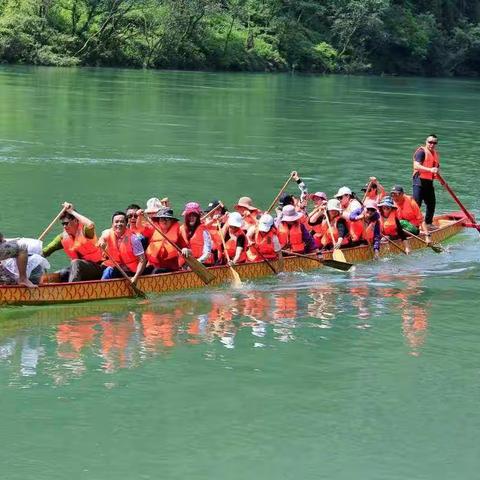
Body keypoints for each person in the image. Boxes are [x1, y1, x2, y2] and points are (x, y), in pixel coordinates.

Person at [42, 203, 104, 282]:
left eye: (66, 223)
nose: (64, 226)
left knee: (76, 262)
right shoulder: (62, 237)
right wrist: (32, 254)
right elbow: (46, 250)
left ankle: (72, 289)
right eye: (63, 224)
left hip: (98, 268)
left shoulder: (85, 231)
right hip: (79, 270)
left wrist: (71, 211)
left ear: (75, 220)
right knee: (60, 274)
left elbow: (90, 224)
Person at [98, 211, 147, 283]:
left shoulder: (134, 239)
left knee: (109, 270)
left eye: (122, 222)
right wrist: (101, 242)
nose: (119, 224)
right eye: (116, 222)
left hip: (129, 272)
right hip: (116, 267)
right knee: (104, 268)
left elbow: (142, 260)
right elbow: (102, 238)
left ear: (126, 224)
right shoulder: (108, 233)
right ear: (112, 224)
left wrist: (135, 277)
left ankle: (101, 287)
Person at [144, 207, 190, 273]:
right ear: (158, 221)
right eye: (162, 219)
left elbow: (185, 247)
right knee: (146, 271)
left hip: (170, 267)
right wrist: (140, 216)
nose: (164, 221)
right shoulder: (152, 230)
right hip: (153, 265)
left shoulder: (177, 232)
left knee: (156, 271)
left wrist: (185, 249)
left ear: (171, 221)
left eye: (167, 219)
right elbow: (140, 228)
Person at [412, 134, 440, 226]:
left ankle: (428, 223)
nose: (432, 144)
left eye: (434, 143)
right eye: (430, 142)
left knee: (431, 204)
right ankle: (414, 225)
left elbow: (436, 169)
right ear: (426, 142)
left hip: (429, 182)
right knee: (416, 205)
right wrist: (430, 170)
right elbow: (416, 166)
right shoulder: (421, 152)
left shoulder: (435, 154)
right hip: (419, 181)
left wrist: (440, 179)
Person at [203, 199, 228, 264]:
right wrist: (213, 220)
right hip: (207, 253)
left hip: (219, 253)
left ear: (219, 211)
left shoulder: (224, 221)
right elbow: (203, 227)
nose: (209, 213)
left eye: (212, 211)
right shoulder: (205, 221)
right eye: (209, 211)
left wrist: (224, 209)